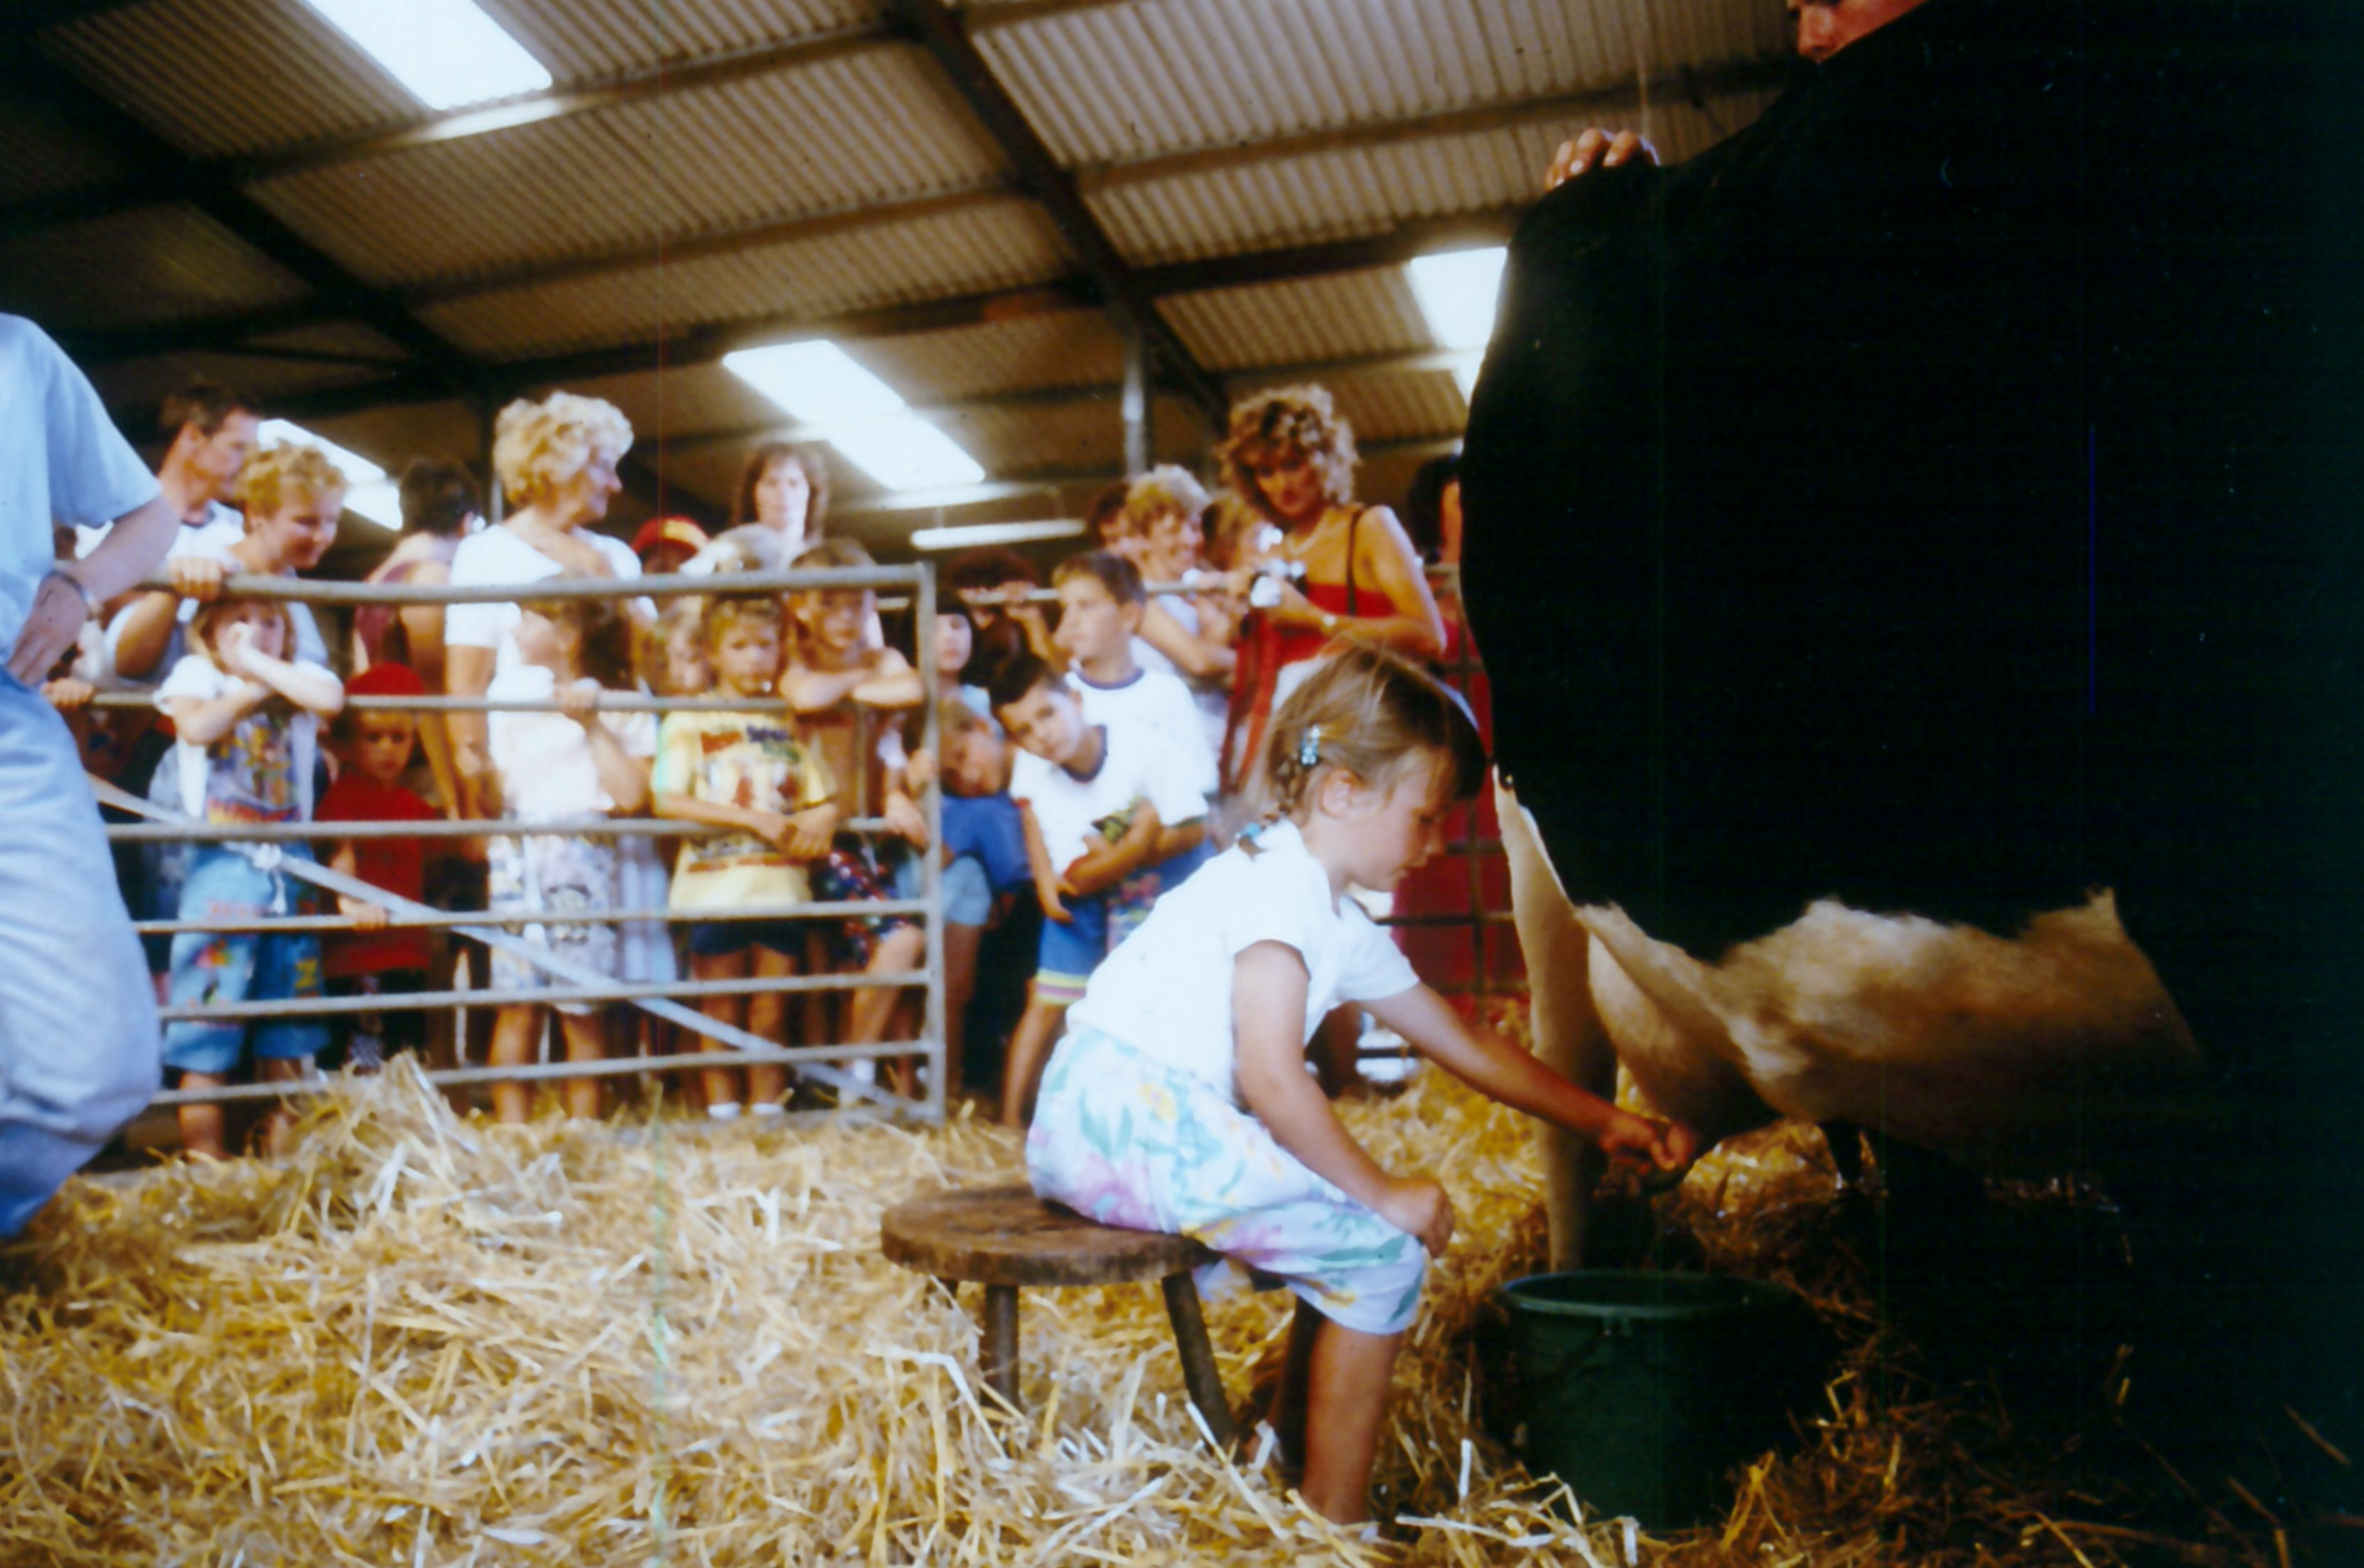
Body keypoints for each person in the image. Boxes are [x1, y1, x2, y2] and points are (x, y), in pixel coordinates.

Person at [1026, 645, 1687, 1524]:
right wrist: (1385, 1191)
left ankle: (1283, 1446)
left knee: (1357, 1242)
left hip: (1114, 1114)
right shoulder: (1278, 891)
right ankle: (1332, 1524)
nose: (1436, 843)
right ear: (1340, 790)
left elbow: (1458, 1040)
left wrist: (1604, 1122)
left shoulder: (1320, 907)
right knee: (1380, 1252)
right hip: (1126, 1112)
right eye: (1424, 817)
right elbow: (1268, 1073)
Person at [0, 313, 182, 1236]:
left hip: (6, 714)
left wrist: (81, 584)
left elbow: (153, 513)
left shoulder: (20, 353)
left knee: (96, 1059)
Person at [156, 592, 345, 1159]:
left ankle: (281, 1169)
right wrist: (255, 685)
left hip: (291, 871)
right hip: (221, 870)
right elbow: (195, 726)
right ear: (209, 633)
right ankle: (205, 1169)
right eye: (239, 620)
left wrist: (262, 667)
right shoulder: (197, 673)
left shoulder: (299, 674)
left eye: (271, 622)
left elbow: (330, 698)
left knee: (288, 1027)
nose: (256, 631)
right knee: (205, 1029)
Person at [989, 651, 1206, 1126]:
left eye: (1047, 714)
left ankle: (1171, 1112)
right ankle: (1007, 1125)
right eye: (1024, 730)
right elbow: (1081, 876)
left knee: (1154, 997)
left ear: (1076, 700)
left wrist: (1137, 852)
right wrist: (1139, 839)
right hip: (1100, 883)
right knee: (1048, 1000)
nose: (1042, 735)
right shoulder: (1042, 778)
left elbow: (1193, 830)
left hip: (1167, 879)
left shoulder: (1143, 746)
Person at [652, 593, 837, 1118]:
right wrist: (753, 819)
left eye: (764, 645)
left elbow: (820, 794)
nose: (754, 657)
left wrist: (824, 815)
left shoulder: (787, 720)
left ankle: (765, 1109)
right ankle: (722, 1110)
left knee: (771, 1007)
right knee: (720, 1006)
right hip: (715, 886)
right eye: (739, 646)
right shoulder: (690, 719)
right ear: (713, 653)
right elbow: (666, 798)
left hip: (779, 887)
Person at [481, 584, 655, 1124]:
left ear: (568, 633)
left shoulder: (626, 698)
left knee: (582, 1009)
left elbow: (631, 796)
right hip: (517, 852)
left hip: (583, 852)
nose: (515, 631)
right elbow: (499, 789)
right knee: (516, 1005)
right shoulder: (507, 693)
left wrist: (591, 723)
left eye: (527, 619)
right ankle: (512, 1137)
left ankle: (584, 1136)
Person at [1215, 385, 1444, 793]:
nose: (1282, 484)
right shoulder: (1271, 549)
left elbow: (1429, 636)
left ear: (1325, 460)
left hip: (1362, 729)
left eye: (1292, 463)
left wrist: (1314, 618)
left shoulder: (1370, 526)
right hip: (1285, 736)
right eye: (1265, 471)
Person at [784, 539, 929, 1088]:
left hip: (869, 833)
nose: (846, 618)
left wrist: (894, 791)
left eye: (857, 604)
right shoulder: (796, 656)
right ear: (801, 606)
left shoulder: (884, 657)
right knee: (897, 942)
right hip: (818, 834)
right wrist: (861, 687)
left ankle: (852, 1078)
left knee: (869, 956)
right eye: (830, 604)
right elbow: (804, 696)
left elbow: (912, 686)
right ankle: (850, 1072)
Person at [315, 662, 441, 1075]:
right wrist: (349, 901)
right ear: (349, 744)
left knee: (404, 1053)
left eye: (399, 737)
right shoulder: (345, 797)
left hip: (406, 949)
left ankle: (394, 1128)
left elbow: (443, 844)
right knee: (360, 1056)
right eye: (374, 738)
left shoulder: (408, 803)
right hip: (361, 952)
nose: (389, 748)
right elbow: (341, 852)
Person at [1050, 547, 1217, 853]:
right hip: (1092, 857)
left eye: (1085, 607)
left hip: (1168, 848)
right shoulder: (1062, 699)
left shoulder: (1168, 694)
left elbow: (1199, 786)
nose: (1071, 621)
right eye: (1066, 609)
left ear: (1129, 617)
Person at [352, 457, 481, 815]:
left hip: (384, 760)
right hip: (428, 773)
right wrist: (460, 802)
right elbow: (435, 697)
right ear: (466, 523)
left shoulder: (376, 579)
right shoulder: (432, 578)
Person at [935, 697, 1036, 1102]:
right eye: (952, 775)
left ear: (982, 726)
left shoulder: (1037, 765)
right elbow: (939, 855)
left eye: (962, 755)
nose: (968, 774)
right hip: (1015, 910)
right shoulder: (973, 810)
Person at [1117, 466, 1239, 763]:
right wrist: (1231, 629)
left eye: (1195, 527)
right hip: (1169, 748)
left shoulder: (1198, 584)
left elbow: (1214, 651)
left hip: (1218, 739)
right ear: (1143, 538)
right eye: (1172, 531)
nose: (1188, 541)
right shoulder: (1135, 594)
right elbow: (1200, 661)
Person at [733, 442, 829, 556]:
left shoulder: (829, 564)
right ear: (753, 492)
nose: (783, 493)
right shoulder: (727, 555)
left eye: (794, 484)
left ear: (811, 494)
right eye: (772, 483)